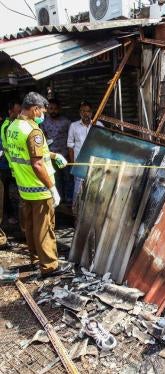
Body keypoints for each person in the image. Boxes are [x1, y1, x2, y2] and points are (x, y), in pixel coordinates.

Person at [6, 92, 72, 277]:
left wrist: (52, 155)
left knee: (31, 227)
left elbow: (26, 155)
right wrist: (52, 187)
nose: (43, 114)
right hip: (39, 189)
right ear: (34, 109)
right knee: (45, 228)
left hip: (24, 187)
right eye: (42, 110)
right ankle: (50, 266)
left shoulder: (13, 127)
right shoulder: (33, 131)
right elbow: (36, 163)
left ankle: (36, 259)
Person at [67, 101, 103, 204]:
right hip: (80, 163)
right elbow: (70, 145)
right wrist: (73, 163)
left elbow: (103, 144)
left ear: (92, 113)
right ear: (79, 112)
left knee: (94, 188)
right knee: (78, 190)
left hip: (95, 163)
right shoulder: (74, 126)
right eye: (83, 111)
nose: (85, 113)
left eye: (88, 111)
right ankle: (76, 210)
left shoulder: (98, 125)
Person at [41, 98, 73, 204]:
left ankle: (69, 198)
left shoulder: (67, 122)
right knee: (56, 178)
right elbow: (43, 136)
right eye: (50, 108)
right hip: (51, 156)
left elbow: (71, 138)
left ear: (59, 109)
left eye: (55, 109)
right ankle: (59, 198)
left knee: (67, 178)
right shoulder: (44, 122)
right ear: (47, 109)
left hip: (64, 155)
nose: (53, 111)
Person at [0, 101, 21, 224]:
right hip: (6, 166)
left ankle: (18, 216)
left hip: (14, 165)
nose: (19, 114)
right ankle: (9, 215)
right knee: (6, 193)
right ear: (10, 112)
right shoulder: (7, 126)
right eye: (17, 112)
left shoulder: (14, 124)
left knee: (17, 192)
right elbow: (8, 148)